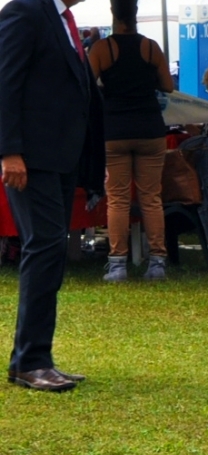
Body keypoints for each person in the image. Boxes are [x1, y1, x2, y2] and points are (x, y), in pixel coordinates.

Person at [1, 0, 105, 391]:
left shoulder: (63, 19)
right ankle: (31, 360)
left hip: (62, 157)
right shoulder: (24, 12)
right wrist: (9, 150)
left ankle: (33, 357)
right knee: (43, 248)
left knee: (50, 250)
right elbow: (5, 80)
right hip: (32, 156)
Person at [88, 0, 174, 282]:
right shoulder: (150, 47)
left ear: (113, 13)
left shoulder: (103, 48)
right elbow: (168, 86)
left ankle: (117, 265)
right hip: (150, 129)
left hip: (115, 131)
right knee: (151, 197)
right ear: (136, 14)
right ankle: (157, 262)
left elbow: (87, 84)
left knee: (118, 199)